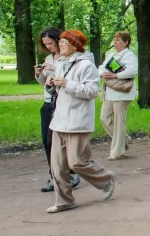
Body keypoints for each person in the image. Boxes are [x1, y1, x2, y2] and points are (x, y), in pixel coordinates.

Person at [45, 30, 116, 213]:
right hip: (59, 120)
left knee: (77, 162)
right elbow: (59, 90)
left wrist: (67, 84)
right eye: (59, 43)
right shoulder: (60, 63)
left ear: (75, 45)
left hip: (77, 120)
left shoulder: (86, 65)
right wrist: (51, 84)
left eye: (63, 43)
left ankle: (106, 178)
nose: (60, 46)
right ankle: (64, 201)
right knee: (58, 165)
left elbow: (92, 91)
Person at [35, 27, 80, 193]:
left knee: (58, 142)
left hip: (62, 103)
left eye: (50, 43)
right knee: (47, 142)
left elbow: (72, 80)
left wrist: (55, 70)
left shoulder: (68, 58)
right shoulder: (48, 58)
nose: (48, 47)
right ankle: (56, 175)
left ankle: (68, 174)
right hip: (47, 103)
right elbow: (45, 84)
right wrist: (39, 75)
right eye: (45, 44)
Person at [98, 32, 138, 161]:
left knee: (119, 122)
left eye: (118, 40)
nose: (115, 42)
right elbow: (101, 67)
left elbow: (132, 71)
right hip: (110, 91)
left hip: (122, 93)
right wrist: (102, 74)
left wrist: (115, 76)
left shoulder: (129, 55)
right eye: (114, 40)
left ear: (126, 42)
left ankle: (117, 152)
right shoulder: (112, 55)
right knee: (104, 118)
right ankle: (124, 139)